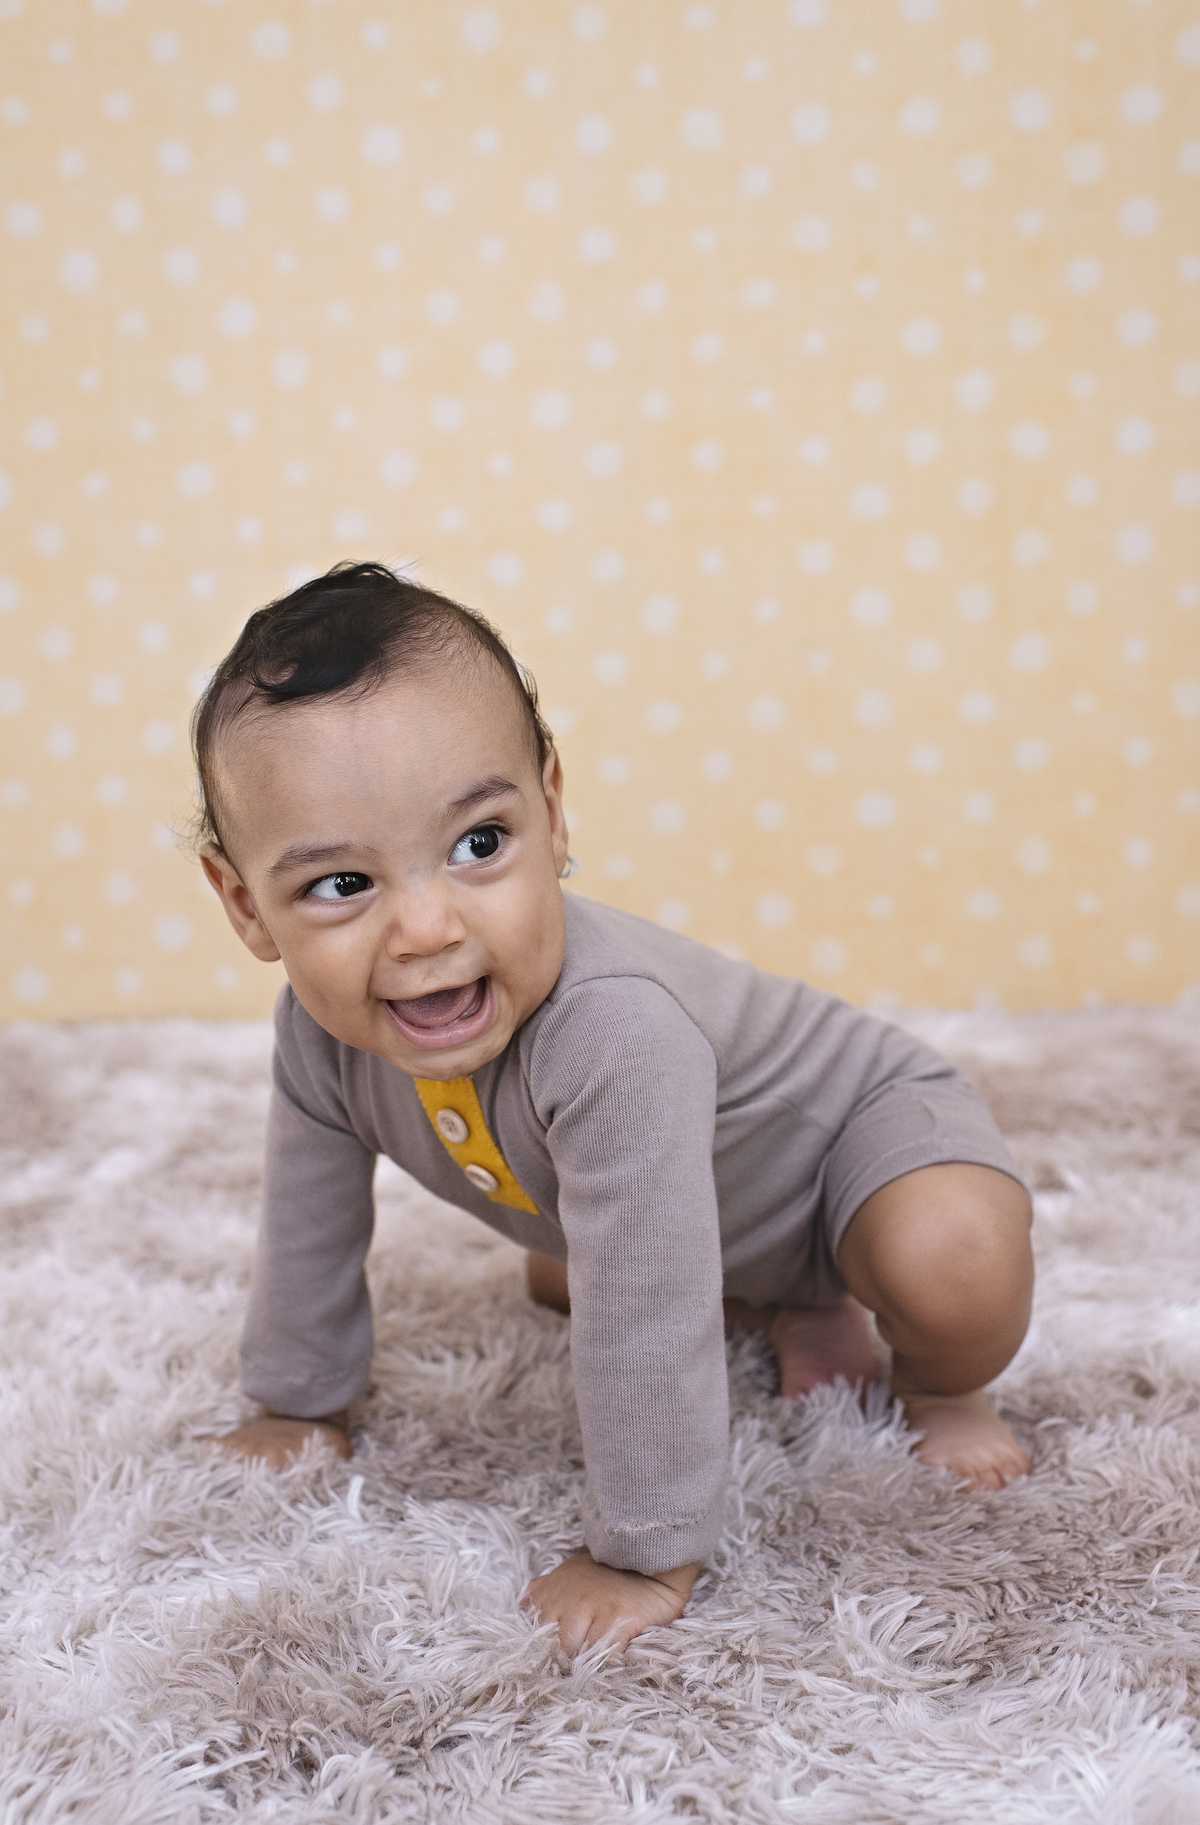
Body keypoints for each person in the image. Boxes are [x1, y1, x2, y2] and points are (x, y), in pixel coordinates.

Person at [196, 561, 1034, 1656]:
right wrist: (298, 1403)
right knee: (573, 1269)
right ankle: (789, 1300)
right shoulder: (318, 1038)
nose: (424, 928)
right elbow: (308, 1228)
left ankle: (935, 1377)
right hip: (718, 1207)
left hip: (860, 1147)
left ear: (550, 808)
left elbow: (644, 1312)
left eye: (478, 843)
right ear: (244, 902)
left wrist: (644, 1549)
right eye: (341, 886)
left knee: (951, 1259)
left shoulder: (612, 1031)